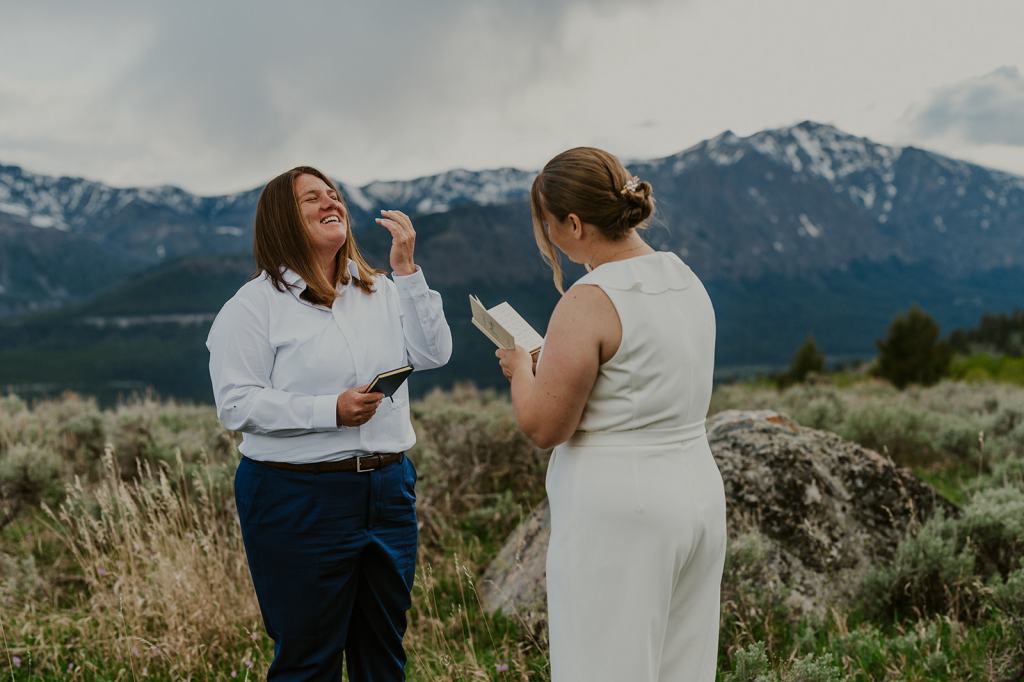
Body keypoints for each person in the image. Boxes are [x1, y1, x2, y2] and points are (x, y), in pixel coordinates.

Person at [206, 165, 452, 681]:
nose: (329, 203)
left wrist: (407, 270)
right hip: (296, 497)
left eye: (333, 195)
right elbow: (235, 403)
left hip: (387, 490)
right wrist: (330, 411)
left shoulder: (380, 290)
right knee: (308, 660)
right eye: (311, 199)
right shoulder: (253, 306)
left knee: (382, 653)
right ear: (281, 221)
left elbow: (434, 353)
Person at [496, 147, 727, 681]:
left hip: (623, 511)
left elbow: (544, 426)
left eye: (550, 225)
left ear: (574, 224)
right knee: (682, 668)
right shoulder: (683, 277)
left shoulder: (590, 299)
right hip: (697, 495)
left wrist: (520, 367)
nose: (551, 237)